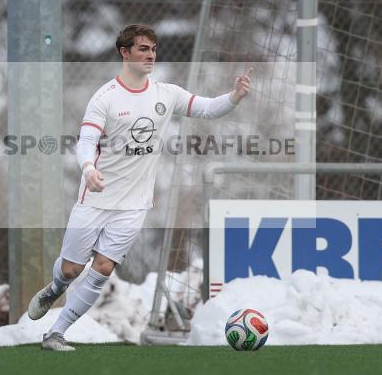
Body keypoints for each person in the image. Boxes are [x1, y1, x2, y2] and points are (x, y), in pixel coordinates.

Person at [27, 23, 251, 351]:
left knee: (102, 268)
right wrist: (88, 168)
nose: (150, 55)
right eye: (143, 49)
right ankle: (55, 287)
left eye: (153, 49)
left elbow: (205, 107)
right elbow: (86, 141)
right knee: (72, 269)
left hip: (134, 205)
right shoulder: (105, 97)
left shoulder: (166, 93)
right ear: (125, 53)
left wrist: (234, 97)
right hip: (96, 199)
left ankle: (56, 333)